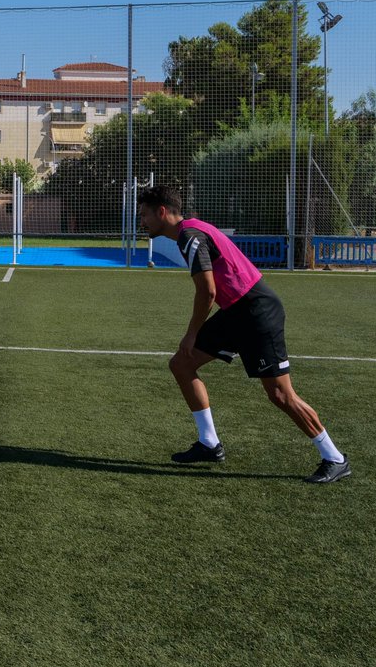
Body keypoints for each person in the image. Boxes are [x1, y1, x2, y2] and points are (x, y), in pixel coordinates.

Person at [137, 185, 350, 483]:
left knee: (280, 394)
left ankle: (334, 457)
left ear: (162, 212)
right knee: (181, 364)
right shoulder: (191, 231)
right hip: (236, 312)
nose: (142, 221)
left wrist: (191, 334)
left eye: (145, 214)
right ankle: (209, 444)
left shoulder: (190, 236)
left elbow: (207, 291)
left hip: (256, 311)